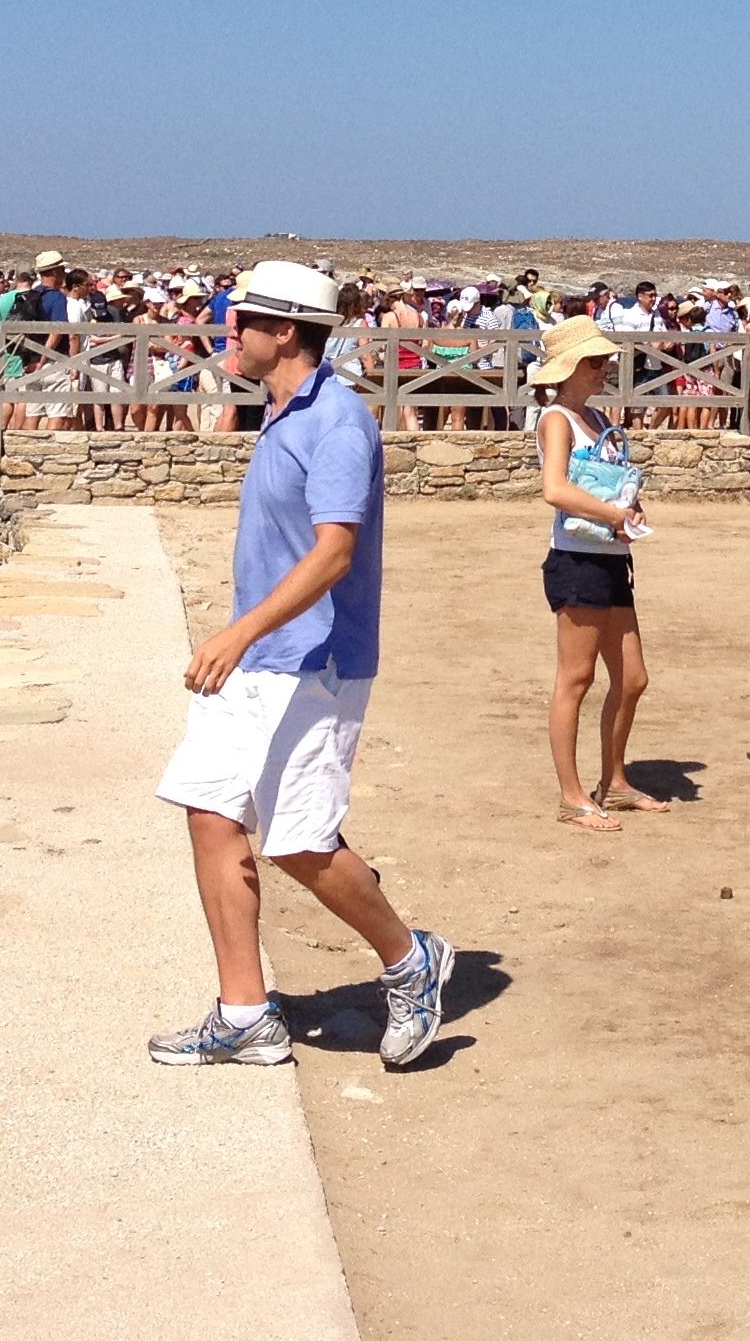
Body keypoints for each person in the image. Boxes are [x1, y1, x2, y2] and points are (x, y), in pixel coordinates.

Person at [150, 259, 450, 1072]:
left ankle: (410, 959)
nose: (228, 332)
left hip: (315, 660)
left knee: (297, 844)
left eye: (241, 319)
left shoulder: (337, 422)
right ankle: (244, 1014)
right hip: (259, 657)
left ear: (285, 331)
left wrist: (238, 632)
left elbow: (333, 555)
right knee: (210, 811)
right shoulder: (280, 413)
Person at [530, 315, 661, 831]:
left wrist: (632, 510)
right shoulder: (558, 420)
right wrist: (614, 516)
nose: (604, 368)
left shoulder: (599, 420)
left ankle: (616, 781)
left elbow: (612, 487)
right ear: (569, 369)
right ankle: (572, 794)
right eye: (595, 361)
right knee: (576, 678)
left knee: (632, 679)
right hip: (577, 560)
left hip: (611, 559)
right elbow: (555, 489)